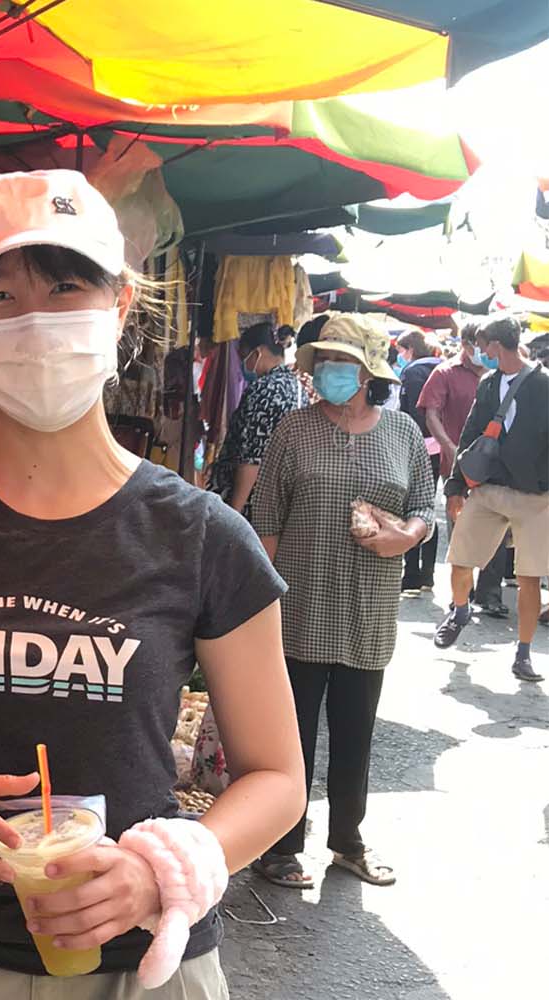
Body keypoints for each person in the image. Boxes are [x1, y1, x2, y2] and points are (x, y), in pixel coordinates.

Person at [0, 171, 304, 1000]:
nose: (35, 321)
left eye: (67, 287)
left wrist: (163, 870)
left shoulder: (206, 537)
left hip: (142, 964)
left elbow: (277, 776)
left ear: (120, 305)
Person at [250, 313, 436, 890]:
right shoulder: (293, 430)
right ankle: (280, 846)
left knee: (357, 730)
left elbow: (425, 508)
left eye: (344, 363)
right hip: (300, 603)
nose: (331, 371)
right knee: (293, 733)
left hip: (370, 606)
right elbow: (267, 521)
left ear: (368, 373)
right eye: (324, 361)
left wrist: (407, 536)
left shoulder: (402, 431)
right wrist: (256, 607)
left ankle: (347, 842)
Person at [435, 315, 549, 682]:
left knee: (529, 577)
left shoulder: (544, 385)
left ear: (497, 346)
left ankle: (523, 652)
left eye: (484, 346)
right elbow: (470, 432)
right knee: (460, 559)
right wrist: (455, 487)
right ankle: (460, 609)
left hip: (535, 494)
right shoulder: (489, 383)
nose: (480, 352)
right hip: (488, 489)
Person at [421, 323, 508, 612]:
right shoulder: (444, 373)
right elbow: (431, 413)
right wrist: (447, 445)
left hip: (497, 468)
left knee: (496, 525)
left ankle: (489, 593)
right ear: (467, 344)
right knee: (462, 529)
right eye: (478, 346)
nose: (482, 352)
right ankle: (462, 593)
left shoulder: (505, 376)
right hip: (459, 466)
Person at [206, 322, 302, 516]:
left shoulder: (264, 390)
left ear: (258, 353)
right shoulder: (297, 388)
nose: (243, 365)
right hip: (277, 500)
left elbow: (252, 460)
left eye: (244, 357)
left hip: (252, 505)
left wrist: (233, 514)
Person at [396, 329, 445, 593]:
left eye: (401, 351)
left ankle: (412, 574)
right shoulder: (442, 367)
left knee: (412, 508)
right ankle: (427, 574)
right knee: (428, 506)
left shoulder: (412, 372)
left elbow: (412, 413)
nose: (400, 356)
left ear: (410, 349)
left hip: (418, 448)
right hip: (440, 447)